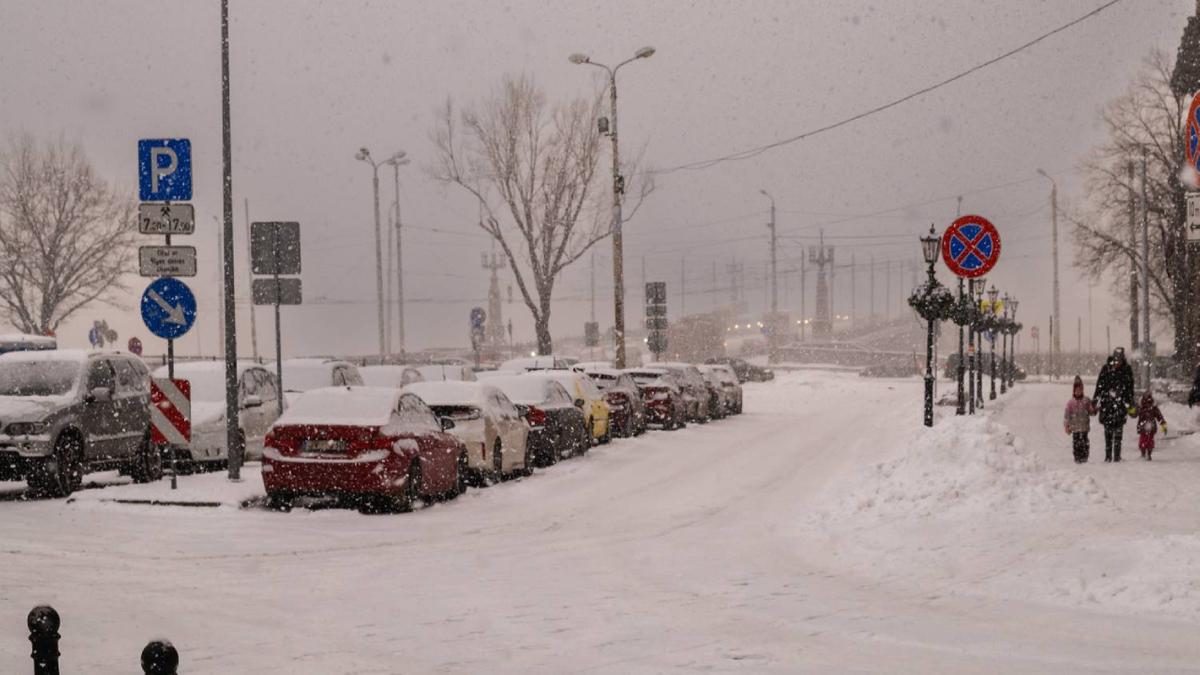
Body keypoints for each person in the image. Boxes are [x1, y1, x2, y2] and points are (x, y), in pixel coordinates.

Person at [1094, 349, 1135, 462]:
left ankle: (1117, 455)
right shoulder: (1106, 369)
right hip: (1107, 404)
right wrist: (1095, 400)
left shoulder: (1126, 370)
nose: (1118, 363)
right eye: (1116, 360)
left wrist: (1130, 402)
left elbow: (1130, 388)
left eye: (1120, 360)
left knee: (1118, 431)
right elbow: (1099, 386)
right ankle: (1108, 456)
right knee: (1107, 430)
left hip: (1120, 404)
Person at [1063, 375, 1097, 463]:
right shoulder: (1070, 403)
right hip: (1075, 428)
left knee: (1085, 442)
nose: (1078, 392)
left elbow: (1091, 412)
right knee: (1076, 443)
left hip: (1084, 427)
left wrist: (1094, 409)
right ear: (1074, 391)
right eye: (1076, 390)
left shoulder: (1086, 400)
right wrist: (1067, 425)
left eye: (1080, 390)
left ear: (1082, 390)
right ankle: (1077, 457)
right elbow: (1067, 415)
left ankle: (1085, 456)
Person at [1136, 391, 1167, 461]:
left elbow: (1159, 416)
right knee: (1145, 440)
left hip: (1147, 426)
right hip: (1145, 426)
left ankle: (1147, 454)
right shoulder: (1142, 406)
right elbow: (1134, 413)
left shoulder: (1151, 406)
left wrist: (1163, 425)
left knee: (1147, 440)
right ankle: (1144, 454)